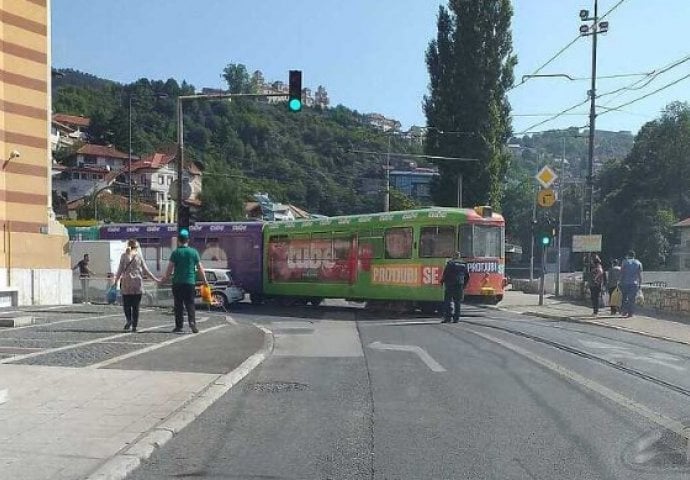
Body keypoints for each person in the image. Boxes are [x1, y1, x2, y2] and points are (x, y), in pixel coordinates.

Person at [159, 229, 208, 333]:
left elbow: (169, 269)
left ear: (178, 241)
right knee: (190, 303)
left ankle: (179, 326)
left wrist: (163, 280)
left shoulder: (175, 253)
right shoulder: (194, 252)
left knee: (178, 305)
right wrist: (205, 281)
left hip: (177, 282)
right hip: (190, 282)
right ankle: (192, 323)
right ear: (188, 240)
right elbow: (200, 268)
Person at [113, 239, 159, 332]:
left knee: (126, 304)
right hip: (137, 282)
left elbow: (120, 270)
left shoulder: (124, 256)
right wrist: (155, 279)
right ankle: (134, 326)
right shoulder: (138, 256)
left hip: (126, 282)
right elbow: (146, 270)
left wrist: (116, 281)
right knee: (136, 306)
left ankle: (129, 320)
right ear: (137, 247)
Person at [440, 252, 470, 323]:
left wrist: (442, 281)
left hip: (450, 284)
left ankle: (448, 317)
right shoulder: (463, 264)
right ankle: (456, 318)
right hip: (460, 284)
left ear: (453, 256)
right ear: (459, 256)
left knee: (448, 301)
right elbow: (467, 276)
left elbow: (446, 274)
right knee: (457, 302)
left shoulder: (450, 263)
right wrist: (464, 284)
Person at [620, 250, 643, 318]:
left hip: (625, 283)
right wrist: (640, 284)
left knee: (624, 297)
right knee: (632, 299)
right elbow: (639, 275)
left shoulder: (624, 262)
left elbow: (622, 273)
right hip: (634, 283)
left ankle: (624, 311)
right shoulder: (638, 263)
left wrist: (619, 281)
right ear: (634, 256)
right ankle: (630, 313)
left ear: (628, 255)